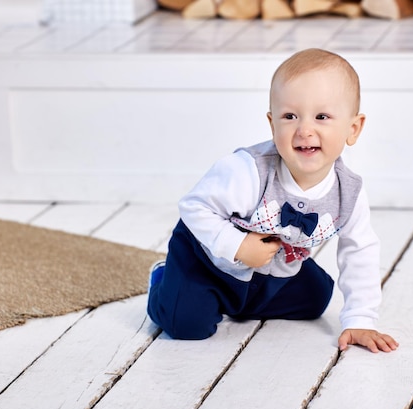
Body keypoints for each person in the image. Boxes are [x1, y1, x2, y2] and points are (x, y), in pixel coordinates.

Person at [147, 48, 398, 353]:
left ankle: (240, 300)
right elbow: (193, 207)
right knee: (187, 325)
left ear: (353, 128)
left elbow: (360, 251)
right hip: (209, 259)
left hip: (270, 268)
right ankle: (165, 277)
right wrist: (236, 246)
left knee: (316, 298)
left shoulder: (349, 193)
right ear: (272, 124)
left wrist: (360, 318)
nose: (305, 129)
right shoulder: (248, 171)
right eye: (290, 116)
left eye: (322, 116)